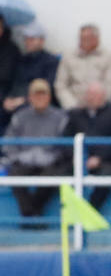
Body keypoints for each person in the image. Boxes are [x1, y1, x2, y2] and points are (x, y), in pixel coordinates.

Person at [3, 78, 67, 226]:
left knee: (53, 176)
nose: (40, 98)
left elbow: (64, 146)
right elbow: (9, 143)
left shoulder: (60, 117)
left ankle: (31, 215)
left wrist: (51, 157)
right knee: (15, 174)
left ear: (49, 96)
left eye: (43, 94)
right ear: (29, 97)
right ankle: (32, 215)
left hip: (50, 161)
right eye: (36, 95)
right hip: (24, 161)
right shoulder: (20, 117)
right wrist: (20, 157)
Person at [62, 81, 111, 211]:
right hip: (79, 159)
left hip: (107, 161)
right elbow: (65, 139)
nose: (91, 98)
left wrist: (99, 157)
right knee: (59, 174)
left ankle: (90, 212)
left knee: (106, 178)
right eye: (89, 95)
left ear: (103, 96)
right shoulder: (76, 114)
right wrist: (77, 157)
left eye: (95, 95)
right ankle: (70, 212)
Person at [54, 24, 111, 112]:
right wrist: (71, 105)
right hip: (73, 106)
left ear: (97, 39)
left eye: (87, 38)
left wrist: (99, 105)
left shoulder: (109, 57)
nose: (82, 41)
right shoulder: (68, 56)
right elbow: (61, 85)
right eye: (81, 38)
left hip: (100, 107)